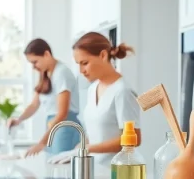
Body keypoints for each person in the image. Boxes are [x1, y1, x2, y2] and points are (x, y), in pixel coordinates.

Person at [48, 31, 141, 165]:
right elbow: (95, 134)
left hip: (117, 170)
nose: (81, 70)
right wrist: (77, 150)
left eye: (84, 63)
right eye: (78, 64)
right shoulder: (92, 89)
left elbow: (135, 138)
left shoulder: (122, 91)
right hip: (95, 170)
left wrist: (88, 148)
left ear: (103, 55)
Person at [8, 38, 81, 157]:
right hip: (53, 126)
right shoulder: (45, 75)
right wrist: (18, 120)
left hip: (64, 126)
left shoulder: (62, 73)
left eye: (35, 62)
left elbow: (62, 113)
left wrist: (42, 143)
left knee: (61, 169)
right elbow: (34, 104)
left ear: (46, 54)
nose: (33, 67)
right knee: (53, 166)